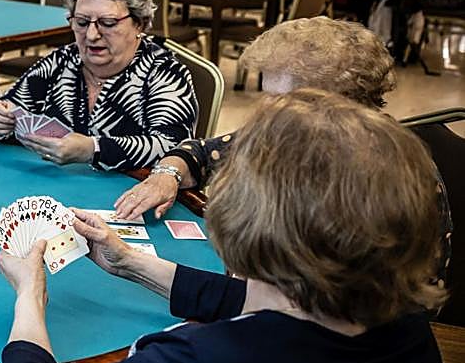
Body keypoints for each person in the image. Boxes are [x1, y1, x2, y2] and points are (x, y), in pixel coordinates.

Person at [0, 90, 445, 363]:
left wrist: (30, 294)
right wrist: (128, 261)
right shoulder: (407, 326)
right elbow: (253, 301)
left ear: (244, 216)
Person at [114, 17, 396, 221]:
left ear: (338, 101)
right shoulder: (286, 134)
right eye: (266, 94)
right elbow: (201, 152)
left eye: (281, 99)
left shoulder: (377, 175)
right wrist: (168, 175)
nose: (265, 109)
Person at [0, 0, 197, 171]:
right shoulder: (62, 61)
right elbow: (9, 106)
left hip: (128, 199)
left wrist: (92, 149)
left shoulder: (164, 72)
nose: (92, 35)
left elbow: (174, 147)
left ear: (139, 23)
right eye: (82, 22)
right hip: (55, 192)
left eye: (108, 23)